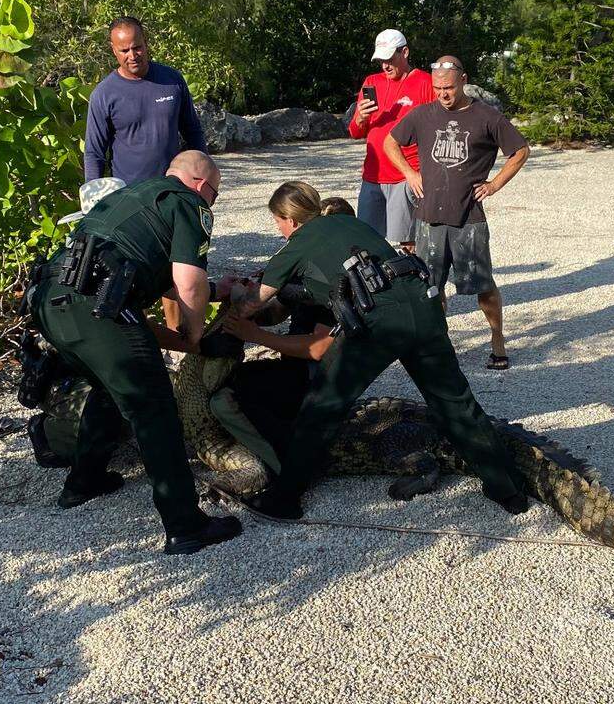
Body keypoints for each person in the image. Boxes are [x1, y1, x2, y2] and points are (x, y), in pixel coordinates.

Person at [229, 181, 529, 520]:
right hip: (423, 307)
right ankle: (509, 489)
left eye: (277, 221)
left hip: (381, 320)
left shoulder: (297, 243)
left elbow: (252, 305)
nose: (278, 229)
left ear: (290, 219)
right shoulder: (352, 223)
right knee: (455, 401)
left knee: (322, 407)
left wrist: (227, 293)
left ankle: (284, 500)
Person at [27, 151, 241, 554]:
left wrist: (218, 290)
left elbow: (146, 278)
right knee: (154, 407)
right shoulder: (187, 202)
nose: (212, 202)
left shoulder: (135, 196)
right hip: (95, 307)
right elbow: (188, 283)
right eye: (214, 194)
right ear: (201, 184)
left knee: (111, 388)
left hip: (50, 303)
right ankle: (185, 524)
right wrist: (194, 336)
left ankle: (83, 482)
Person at [382, 56, 529, 371]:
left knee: (483, 284)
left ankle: (497, 340)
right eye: (437, 88)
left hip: (468, 218)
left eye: (448, 87)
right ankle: (439, 344)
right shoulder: (422, 114)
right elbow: (389, 142)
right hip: (428, 216)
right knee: (430, 286)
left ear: (463, 80)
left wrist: (494, 184)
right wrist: (409, 173)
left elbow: (520, 151)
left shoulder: (487, 117)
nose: (442, 94)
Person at [85, 16, 208, 334]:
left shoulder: (171, 81)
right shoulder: (104, 94)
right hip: (132, 199)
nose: (132, 55)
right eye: (124, 49)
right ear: (114, 51)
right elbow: (95, 154)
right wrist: (94, 204)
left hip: (174, 193)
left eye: (137, 47)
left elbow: (193, 132)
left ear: (146, 42)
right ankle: (135, 334)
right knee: (132, 272)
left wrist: (200, 180)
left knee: (177, 266)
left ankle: (181, 342)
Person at [212, 198, 352, 470]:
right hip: (297, 367)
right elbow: (278, 312)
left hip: (319, 381)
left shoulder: (336, 280)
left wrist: (254, 335)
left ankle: (286, 464)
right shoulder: (310, 265)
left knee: (225, 400)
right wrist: (247, 302)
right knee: (231, 381)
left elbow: (321, 348)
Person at [348, 29, 434, 249]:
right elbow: (355, 132)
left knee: (408, 240)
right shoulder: (371, 81)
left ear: (404, 52)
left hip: (406, 175)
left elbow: (436, 130)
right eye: (381, 59)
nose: (385, 65)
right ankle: (376, 282)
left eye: (389, 58)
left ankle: (417, 281)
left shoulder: (426, 83)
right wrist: (360, 117)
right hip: (373, 176)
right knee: (366, 240)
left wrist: (420, 174)